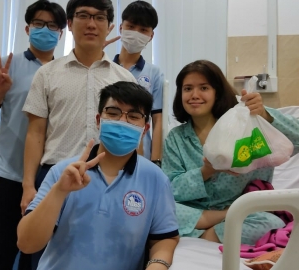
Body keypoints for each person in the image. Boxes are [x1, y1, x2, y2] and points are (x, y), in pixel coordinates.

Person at [18, 81, 179, 270]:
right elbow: (27, 244)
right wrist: (59, 192)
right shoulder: (63, 172)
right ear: (98, 120)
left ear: (144, 129)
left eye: (134, 116)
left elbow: (165, 237)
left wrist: (158, 264)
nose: (122, 121)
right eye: (113, 113)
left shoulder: (156, 179)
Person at [162, 60, 299, 245]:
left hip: (243, 210)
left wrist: (264, 115)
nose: (194, 95)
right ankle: (221, 225)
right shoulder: (176, 138)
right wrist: (206, 171)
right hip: (194, 211)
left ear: (217, 92)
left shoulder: (245, 124)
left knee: (270, 222)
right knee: (159, 208)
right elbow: (171, 188)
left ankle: (205, 235)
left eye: (204, 87)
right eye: (187, 89)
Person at [0, 1, 66, 269]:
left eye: (52, 25)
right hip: (7, 177)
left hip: (48, 179)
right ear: (27, 28)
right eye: (39, 23)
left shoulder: (63, 70)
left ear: (61, 32)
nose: (45, 30)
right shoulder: (7, 66)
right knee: (0, 254)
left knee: (36, 258)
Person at [113, 0, 164, 165]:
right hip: (107, 146)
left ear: (151, 36)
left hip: (141, 151)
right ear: (121, 28)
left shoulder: (154, 73)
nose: (136, 33)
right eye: (131, 27)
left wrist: (155, 160)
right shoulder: (106, 67)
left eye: (143, 30)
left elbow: (157, 120)